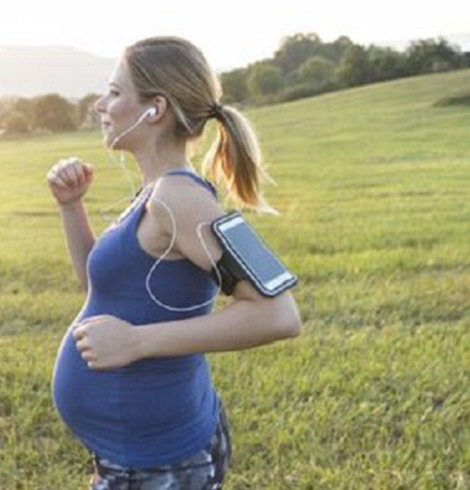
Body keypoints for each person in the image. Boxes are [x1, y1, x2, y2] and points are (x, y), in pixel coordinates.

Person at [47, 36, 301, 489]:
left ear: (154, 109)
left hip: (160, 460)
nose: (100, 105)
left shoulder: (179, 197)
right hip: (139, 450)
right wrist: (72, 207)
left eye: (115, 92)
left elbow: (278, 314)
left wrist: (137, 342)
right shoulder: (155, 191)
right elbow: (102, 287)